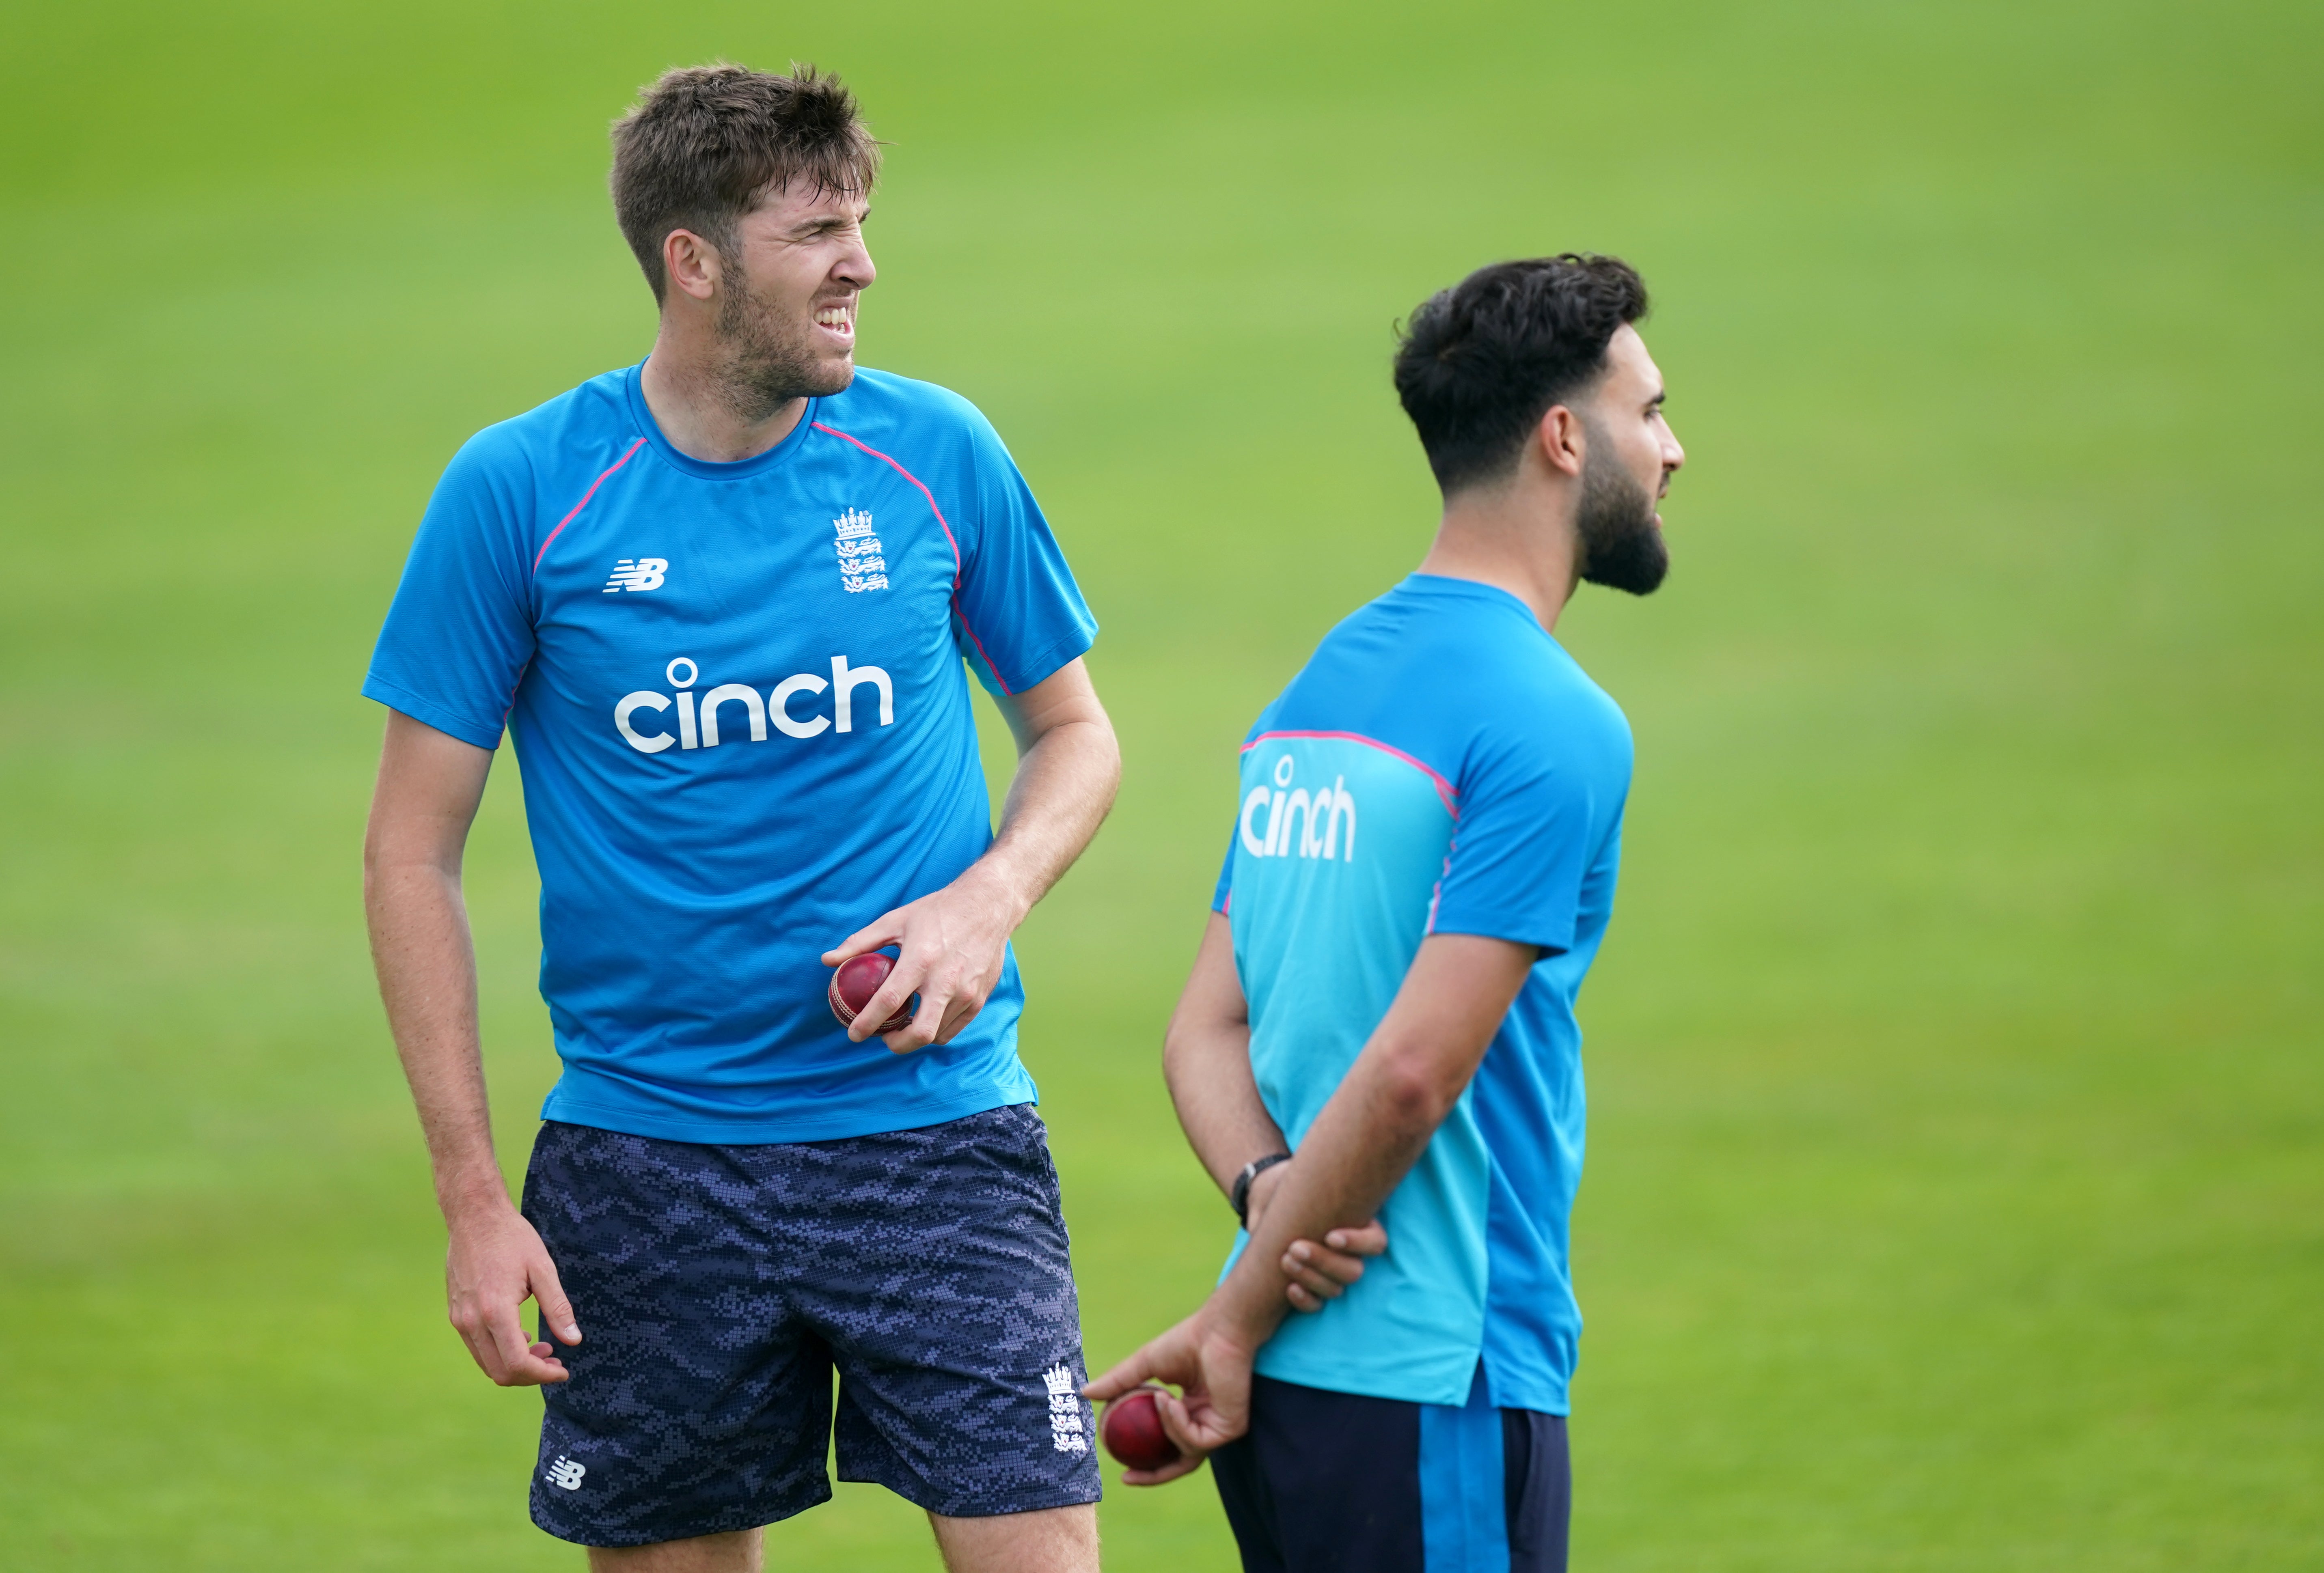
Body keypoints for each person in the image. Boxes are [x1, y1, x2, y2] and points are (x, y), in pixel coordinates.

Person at [361, 64, 1120, 1573]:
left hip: (938, 1136)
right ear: (691, 261)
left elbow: (1076, 734)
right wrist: (469, 1195)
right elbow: (409, 852)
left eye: (861, 222)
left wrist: (990, 899)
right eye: (817, 231)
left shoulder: (937, 452)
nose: (862, 264)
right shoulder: (519, 494)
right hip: (649, 1167)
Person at [1085, 254, 1686, 1573]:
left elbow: (1205, 1025)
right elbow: (1413, 1075)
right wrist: (1238, 1314)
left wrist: (1267, 1202)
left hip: (1297, 1380)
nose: (1675, 449)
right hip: (1443, 1374)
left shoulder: (1321, 687)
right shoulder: (1550, 718)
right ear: (1563, 436)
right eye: (1651, 412)